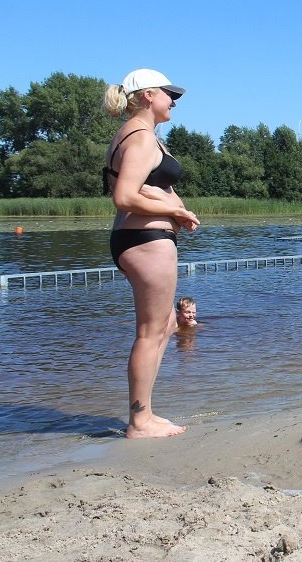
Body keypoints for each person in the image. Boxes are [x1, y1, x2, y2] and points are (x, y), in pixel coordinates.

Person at [103, 68, 199, 439]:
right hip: (144, 242)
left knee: (166, 326)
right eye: (168, 94)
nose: (173, 101)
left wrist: (174, 210)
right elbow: (124, 196)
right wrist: (174, 211)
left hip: (142, 238)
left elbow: (139, 190)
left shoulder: (137, 136)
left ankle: (146, 413)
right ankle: (139, 421)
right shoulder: (141, 138)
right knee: (150, 331)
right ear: (147, 95)